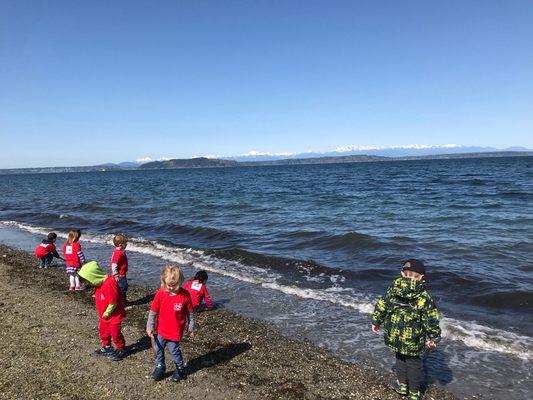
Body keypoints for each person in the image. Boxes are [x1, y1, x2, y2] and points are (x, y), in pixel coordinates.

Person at [371, 259, 441, 400]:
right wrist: (434, 337)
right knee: (413, 362)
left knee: (400, 357)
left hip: (394, 333)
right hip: (413, 337)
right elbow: (431, 318)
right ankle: (414, 393)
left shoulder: (393, 288)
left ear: (402, 274)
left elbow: (382, 305)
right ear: (421, 277)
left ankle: (402, 386)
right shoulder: (424, 296)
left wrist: (376, 321)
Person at [146, 265, 194, 382]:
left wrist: (191, 327)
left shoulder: (185, 295)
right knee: (159, 348)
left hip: (175, 331)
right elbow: (153, 311)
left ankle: (180, 368)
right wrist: (149, 326)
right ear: (163, 281)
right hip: (161, 329)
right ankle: (160, 366)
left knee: (174, 351)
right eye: (168, 285)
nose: (171, 288)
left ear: (180, 282)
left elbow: (190, 314)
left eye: (174, 285)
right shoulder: (161, 293)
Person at [78, 260, 127, 362]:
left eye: (88, 280)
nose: (88, 283)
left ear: (94, 276)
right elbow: (101, 294)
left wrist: (107, 313)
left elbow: (113, 302)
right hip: (104, 315)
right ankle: (107, 347)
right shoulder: (99, 283)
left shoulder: (109, 283)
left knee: (115, 333)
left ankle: (121, 348)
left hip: (113, 315)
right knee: (103, 330)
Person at [110, 233, 129, 303]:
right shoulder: (118, 253)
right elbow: (114, 264)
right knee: (123, 287)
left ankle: (120, 300)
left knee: (122, 287)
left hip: (121, 274)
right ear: (120, 244)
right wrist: (115, 274)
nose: (126, 245)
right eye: (125, 244)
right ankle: (122, 302)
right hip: (119, 275)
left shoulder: (119, 251)